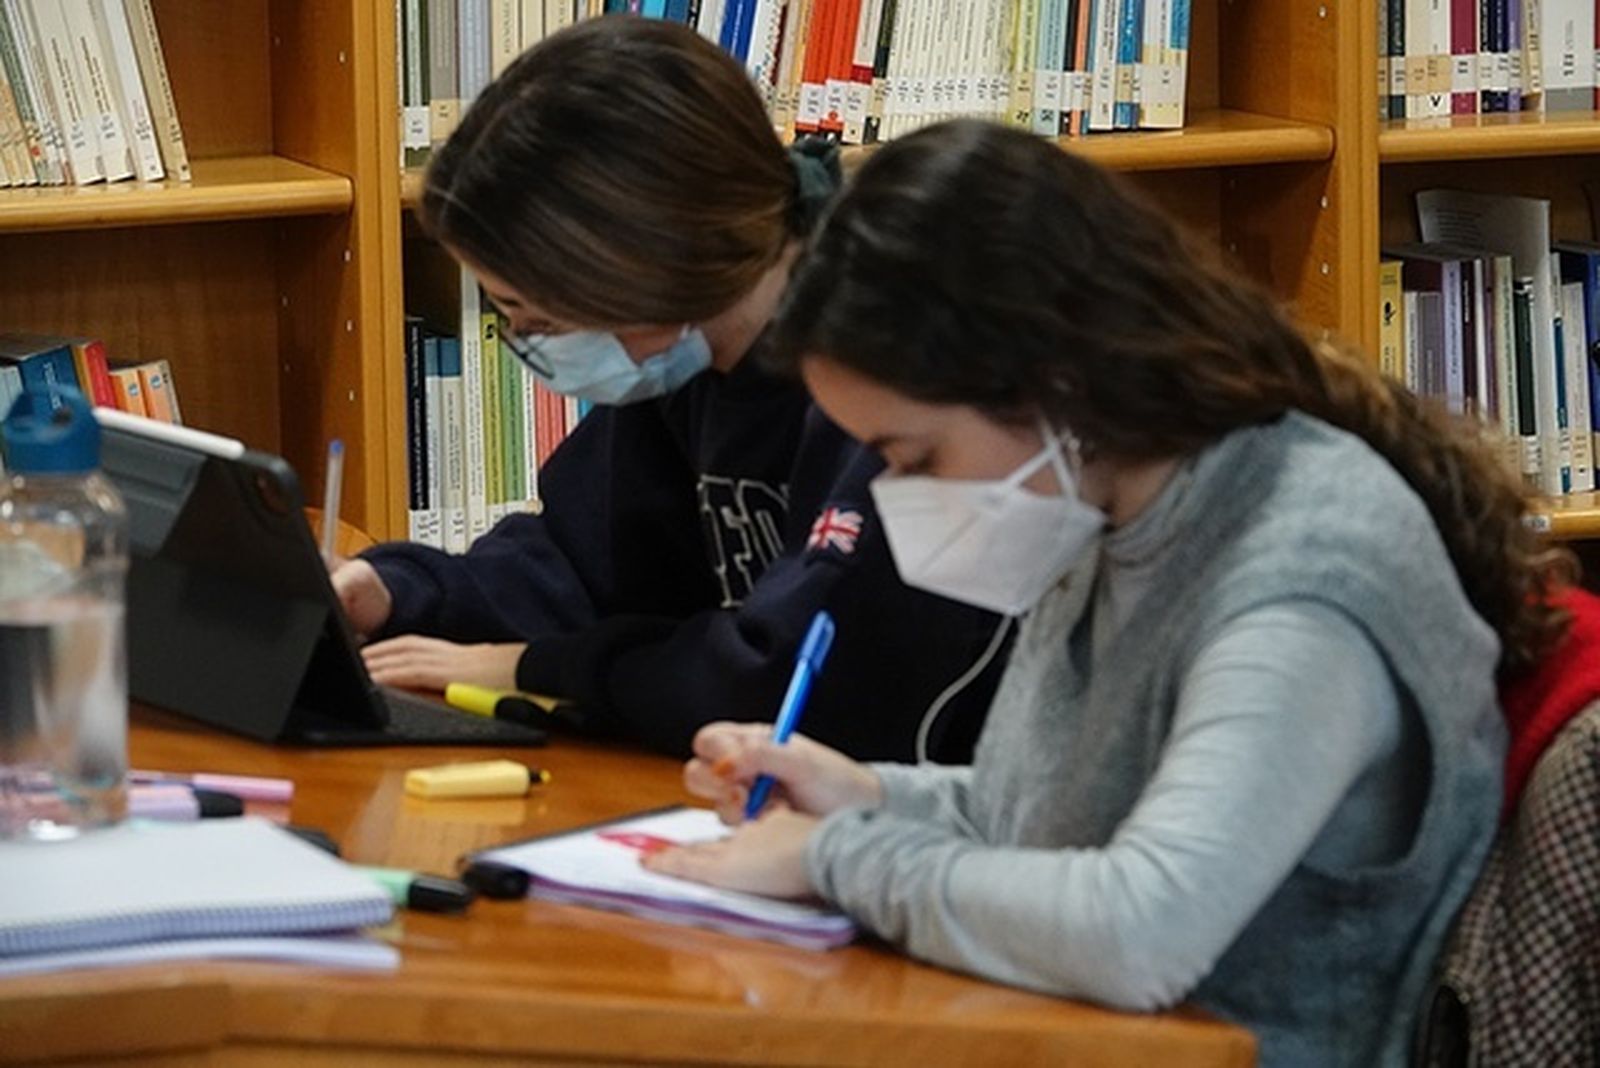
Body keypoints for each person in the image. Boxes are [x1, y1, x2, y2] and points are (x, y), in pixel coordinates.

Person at [643, 119, 1572, 1066]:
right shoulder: (1109, 497)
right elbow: (1066, 814)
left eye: (911, 455)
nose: (888, 497)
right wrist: (868, 795)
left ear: (1053, 382)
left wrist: (831, 860)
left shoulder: (1304, 580)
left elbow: (1139, 930)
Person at [330, 19, 1007, 761]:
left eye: (542, 316)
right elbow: (579, 562)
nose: (532, 345)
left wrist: (544, 667)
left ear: (647, 262)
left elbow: (797, 679)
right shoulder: (684, 352)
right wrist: (399, 591)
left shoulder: (885, 384)